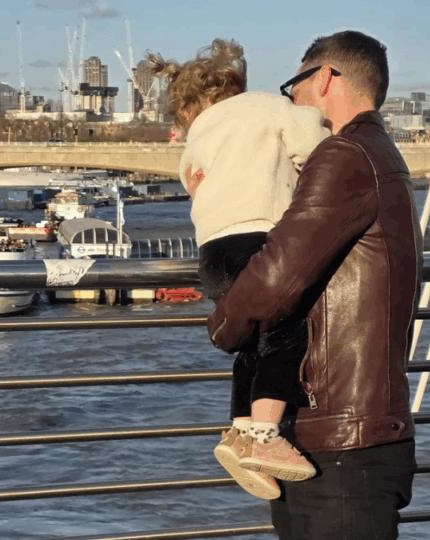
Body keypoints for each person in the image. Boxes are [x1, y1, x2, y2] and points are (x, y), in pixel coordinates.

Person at [206, 31, 422, 539]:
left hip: (339, 443)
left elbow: (278, 274)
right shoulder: (379, 152)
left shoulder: (343, 155)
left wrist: (224, 327)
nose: (292, 101)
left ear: (325, 78)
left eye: (294, 86)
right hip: (358, 432)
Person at [147, 39, 330, 500]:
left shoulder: (199, 135)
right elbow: (316, 143)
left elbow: (194, 184)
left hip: (213, 253)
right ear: (235, 84)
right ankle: (265, 437)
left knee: (250, 339)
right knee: (285, 334)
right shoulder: (266, 106)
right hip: (259, 241)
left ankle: (240, 429)